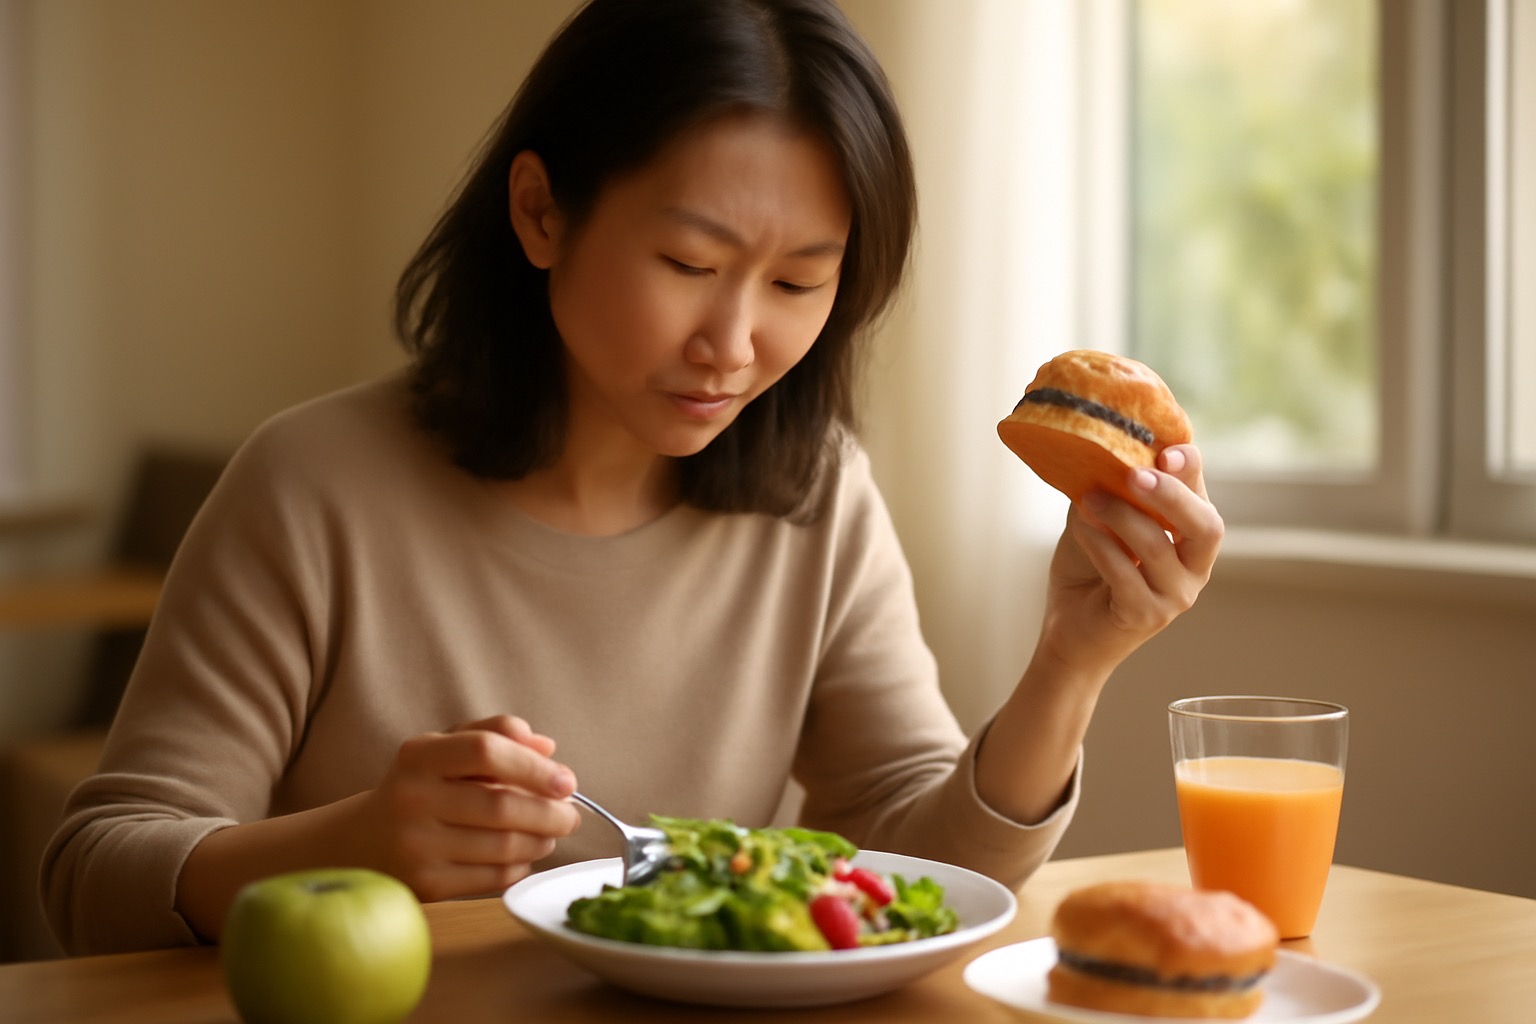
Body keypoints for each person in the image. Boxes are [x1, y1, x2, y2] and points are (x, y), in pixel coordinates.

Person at [42, 0, 1222, 955]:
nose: (736, 340)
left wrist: (1071, 661)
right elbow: (91, 875)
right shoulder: (310, 485)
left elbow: (919, 867)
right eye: (688, 261)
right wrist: (350, 841)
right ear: (541, 210)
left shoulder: (813, 496)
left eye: (799, 283)